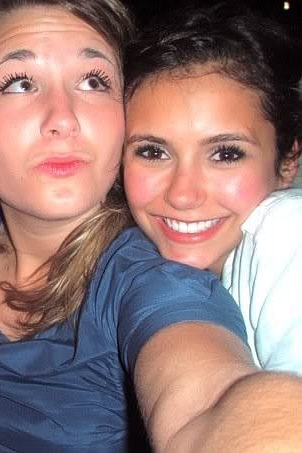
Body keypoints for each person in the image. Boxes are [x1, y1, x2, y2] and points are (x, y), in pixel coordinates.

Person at [0, 0, 302, 451]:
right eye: (20, 83)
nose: (63, 118)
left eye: (93, 81)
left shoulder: (149, 282)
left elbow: (210, 406)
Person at [122, 4, 302, 373]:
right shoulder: (126, 258)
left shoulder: (287, 234)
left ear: (287, 162)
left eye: (226, 154)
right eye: (153, 152)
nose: (182, 195)